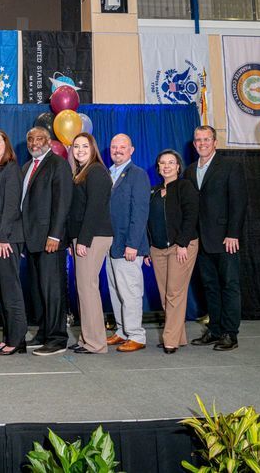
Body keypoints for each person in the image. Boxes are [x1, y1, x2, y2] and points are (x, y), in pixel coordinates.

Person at [183, 126, 246, 351]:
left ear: (215, 142)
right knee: (210, 287)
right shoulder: (190, 170)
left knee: (229, 285)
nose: (202, 143)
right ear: (194, 144)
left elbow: (239, 202)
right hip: (200, 239)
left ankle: (230, 334)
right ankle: (216, 330)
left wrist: (233, 233)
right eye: (198, 140)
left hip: (225, 239)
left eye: (206, 139)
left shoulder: (230, 166)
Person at [20, 126, 73, 356]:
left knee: (53, 290)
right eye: (30, 139)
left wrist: (55, 235)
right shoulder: (27, 167)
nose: (34, 143)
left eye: (39, 138)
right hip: (32, 240)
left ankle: (57, 338)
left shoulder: (57, 164)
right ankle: (43, 332)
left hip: (50, 240)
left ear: (49, 142)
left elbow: (62, 202)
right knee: (38, 290)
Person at [146, 149, 199, 354]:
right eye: (162, 163)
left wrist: (183, 243)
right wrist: (148, 248)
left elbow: (191, 216)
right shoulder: (154, 191)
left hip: (181, 247)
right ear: (158, 167)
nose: (166, 166)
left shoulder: (185, 187)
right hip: (157, 249)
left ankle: (170, 340)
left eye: (171, 162)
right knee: (165, 295)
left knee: (174, 293)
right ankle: (179, 336)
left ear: (178, 166)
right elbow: (148, 222)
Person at [67, 132, 113, 355]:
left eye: (85, 146)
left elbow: (94, 209)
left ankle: (96, 343)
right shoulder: (81, 172)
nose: (80, 150)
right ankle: (87, 338)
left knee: (88, 289)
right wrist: (73, 239)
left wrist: (83, 240)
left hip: (94, 236)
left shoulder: (96, 172)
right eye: (76, 146)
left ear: (93, 148)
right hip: (84, 236)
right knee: (83, 289)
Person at [106, 133, 151, 353]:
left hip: (128, 246)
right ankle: (122, 331)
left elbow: (140, 213)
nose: (117, 150)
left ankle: (136, 335)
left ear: (131, 150)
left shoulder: (138, 174)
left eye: (122, 147)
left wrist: (132, 244)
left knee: (130, 291)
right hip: (110, 245)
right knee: (116, 290)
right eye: (114, 147)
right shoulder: (108, 173)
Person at [0, 130, 28, 356]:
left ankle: (18, 339)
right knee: (4, 288)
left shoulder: (11, 169)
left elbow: (12, 206)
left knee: (11, 289)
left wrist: (3, 236)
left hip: (7, 237)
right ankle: (9, 337)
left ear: (6, 144)